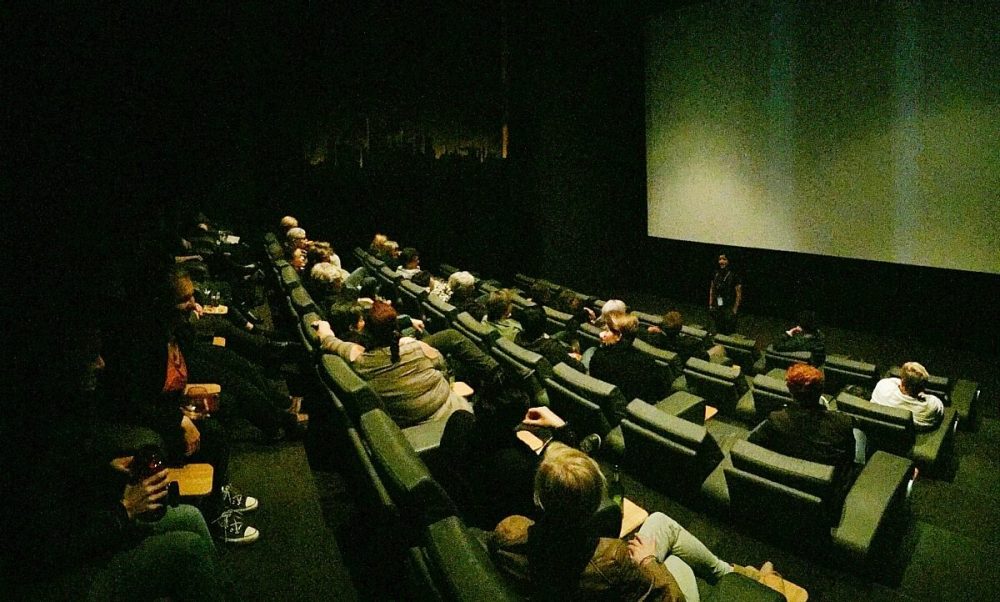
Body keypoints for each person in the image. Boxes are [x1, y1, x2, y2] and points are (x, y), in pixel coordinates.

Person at [104, 265, 261, 544]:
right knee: (213, 436)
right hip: (146, 418)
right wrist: (180, 420)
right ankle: (215, 519)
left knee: (227, 406)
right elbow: (134, 402)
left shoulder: (172, 329)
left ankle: (218, 488)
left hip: (168, 405)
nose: (192, 303)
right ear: (161, 304)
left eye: (192, 296)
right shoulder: (141, 340)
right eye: (184, 299)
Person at [484, 443, 741, 601]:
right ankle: (734, 576)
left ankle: (728, 571)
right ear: (595, 505)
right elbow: (671, 599)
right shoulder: (612, 561)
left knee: (659, 521)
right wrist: (648, 562)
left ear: (538, 496)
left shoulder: (509, 532)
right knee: (674, 558)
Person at [316, 301, 499, 427]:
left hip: (403, 418)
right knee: (454, 348)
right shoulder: (417, 348)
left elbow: (327, 340)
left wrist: (323, 325)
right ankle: (498, 378)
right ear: (395, 330)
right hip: (452, 415)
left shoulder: (355, 356)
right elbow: (443, 368)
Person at [748, 363, 857, 514]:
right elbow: (851, 458)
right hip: (825, 496)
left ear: (791, 391)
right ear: (821, 391)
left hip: (782, 488)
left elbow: (751, 443)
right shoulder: (843, 423)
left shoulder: (776, 420)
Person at [589, 310, 667, 406]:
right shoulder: (646, 361)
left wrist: (602, 346)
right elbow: (661, 391)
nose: (602, 334)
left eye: (607, 330)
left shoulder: (598, 357)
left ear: (618, 336)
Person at [870, 361, 945, 430]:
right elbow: (939, 406)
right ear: (922, 389)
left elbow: (893, 381)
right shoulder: (931, 407)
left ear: (902, 381)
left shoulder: (882, 386)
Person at [514, 305, 585, 374]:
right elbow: (580, 368)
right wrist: (574, 357)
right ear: (544, 324)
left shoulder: (519, 337)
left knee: (564, 333)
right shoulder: (552, 348)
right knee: (591, 350)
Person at [641, 310, 713, 365]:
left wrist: (648, 330)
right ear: (680, 328)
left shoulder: (649, 338)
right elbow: (705, 357)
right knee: (719, 348)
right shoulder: (691, 344)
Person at [708, 253, 742, 334]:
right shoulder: (716, 274)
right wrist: (710, 304)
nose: (721, 261)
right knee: (718, 329)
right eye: (720, 259)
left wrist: (735, 309)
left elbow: (738, 294)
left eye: (724, 259)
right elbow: (712, 289)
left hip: (729, 308)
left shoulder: (734, 275)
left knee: (729, 332)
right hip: (718, 306)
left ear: (729, 261)